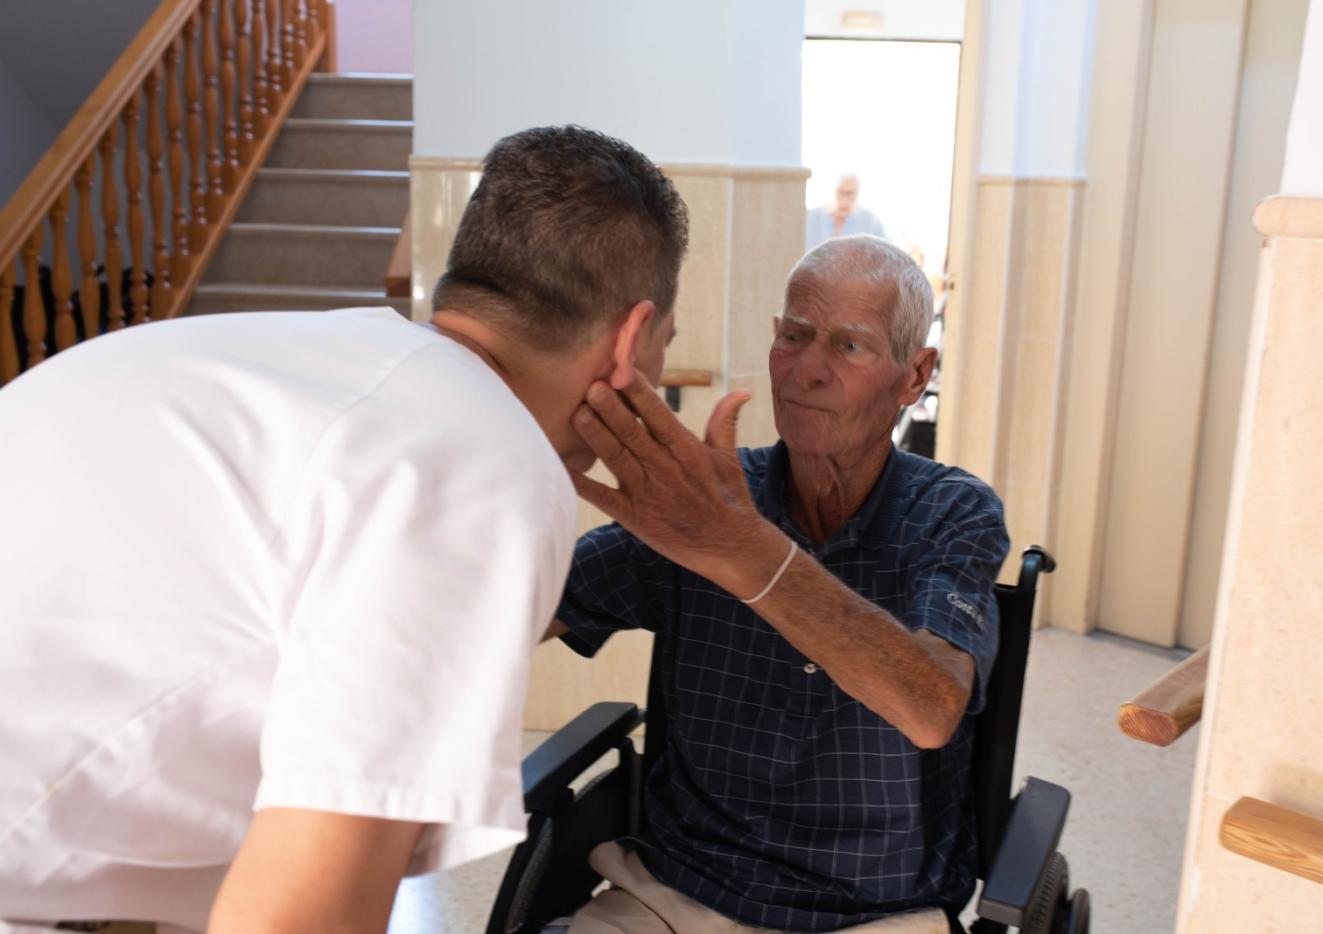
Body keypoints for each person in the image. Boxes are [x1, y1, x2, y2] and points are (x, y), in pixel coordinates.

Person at [0, 125, 688, 933]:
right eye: (665, 346)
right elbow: (304, 915)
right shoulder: (484, 463)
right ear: (631, 341)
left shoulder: (236, 353)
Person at [546, 235, 1010, 933]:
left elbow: (932, 705)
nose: (807, 370)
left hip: (875, 911)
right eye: (795, 335)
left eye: (850, 347)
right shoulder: (705, 502)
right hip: (675, 893)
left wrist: (749, 555)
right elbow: (529, 608)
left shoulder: (952, 511)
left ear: (914, 377)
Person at [805, 174, 887, 249]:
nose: (844, 200)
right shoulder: (809, 218)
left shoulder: (870, 222)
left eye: (851, 194)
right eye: (840, 192)